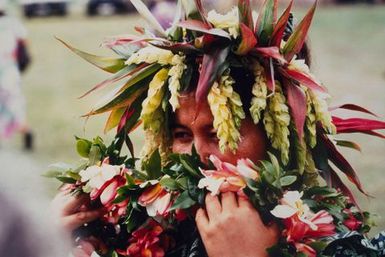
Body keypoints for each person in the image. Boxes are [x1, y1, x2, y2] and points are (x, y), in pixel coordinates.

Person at [52, 0, 385, 256]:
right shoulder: (147, 222)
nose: (197, 155)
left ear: (279, 140)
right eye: (182, 135)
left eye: (220, 134)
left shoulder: (330, 241)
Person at [0, 0, 33, 150]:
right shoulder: (13, 23)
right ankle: (25, 130)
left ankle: (22, 130)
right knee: (15, 103)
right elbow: (25, 42)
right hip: (10, 71)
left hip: (6, 71)